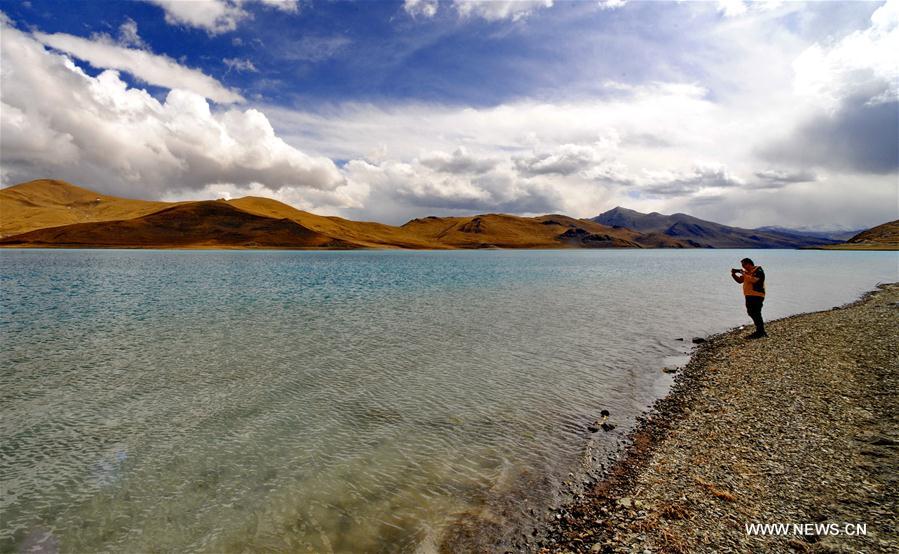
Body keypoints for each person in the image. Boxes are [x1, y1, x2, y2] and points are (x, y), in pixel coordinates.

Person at [731, 257, 767, 339]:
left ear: (749, 264)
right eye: (742, 265)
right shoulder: (747, 272)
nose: (743, 267)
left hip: (757, 295)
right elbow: (740, 281)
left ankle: (760, 332)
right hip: (749, 295)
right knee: (751, 312)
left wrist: (743, 273)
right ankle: (760, 331)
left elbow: (754, 280)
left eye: (744, 265)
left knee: (756, 313)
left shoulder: (758, 270)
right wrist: (733, 274)